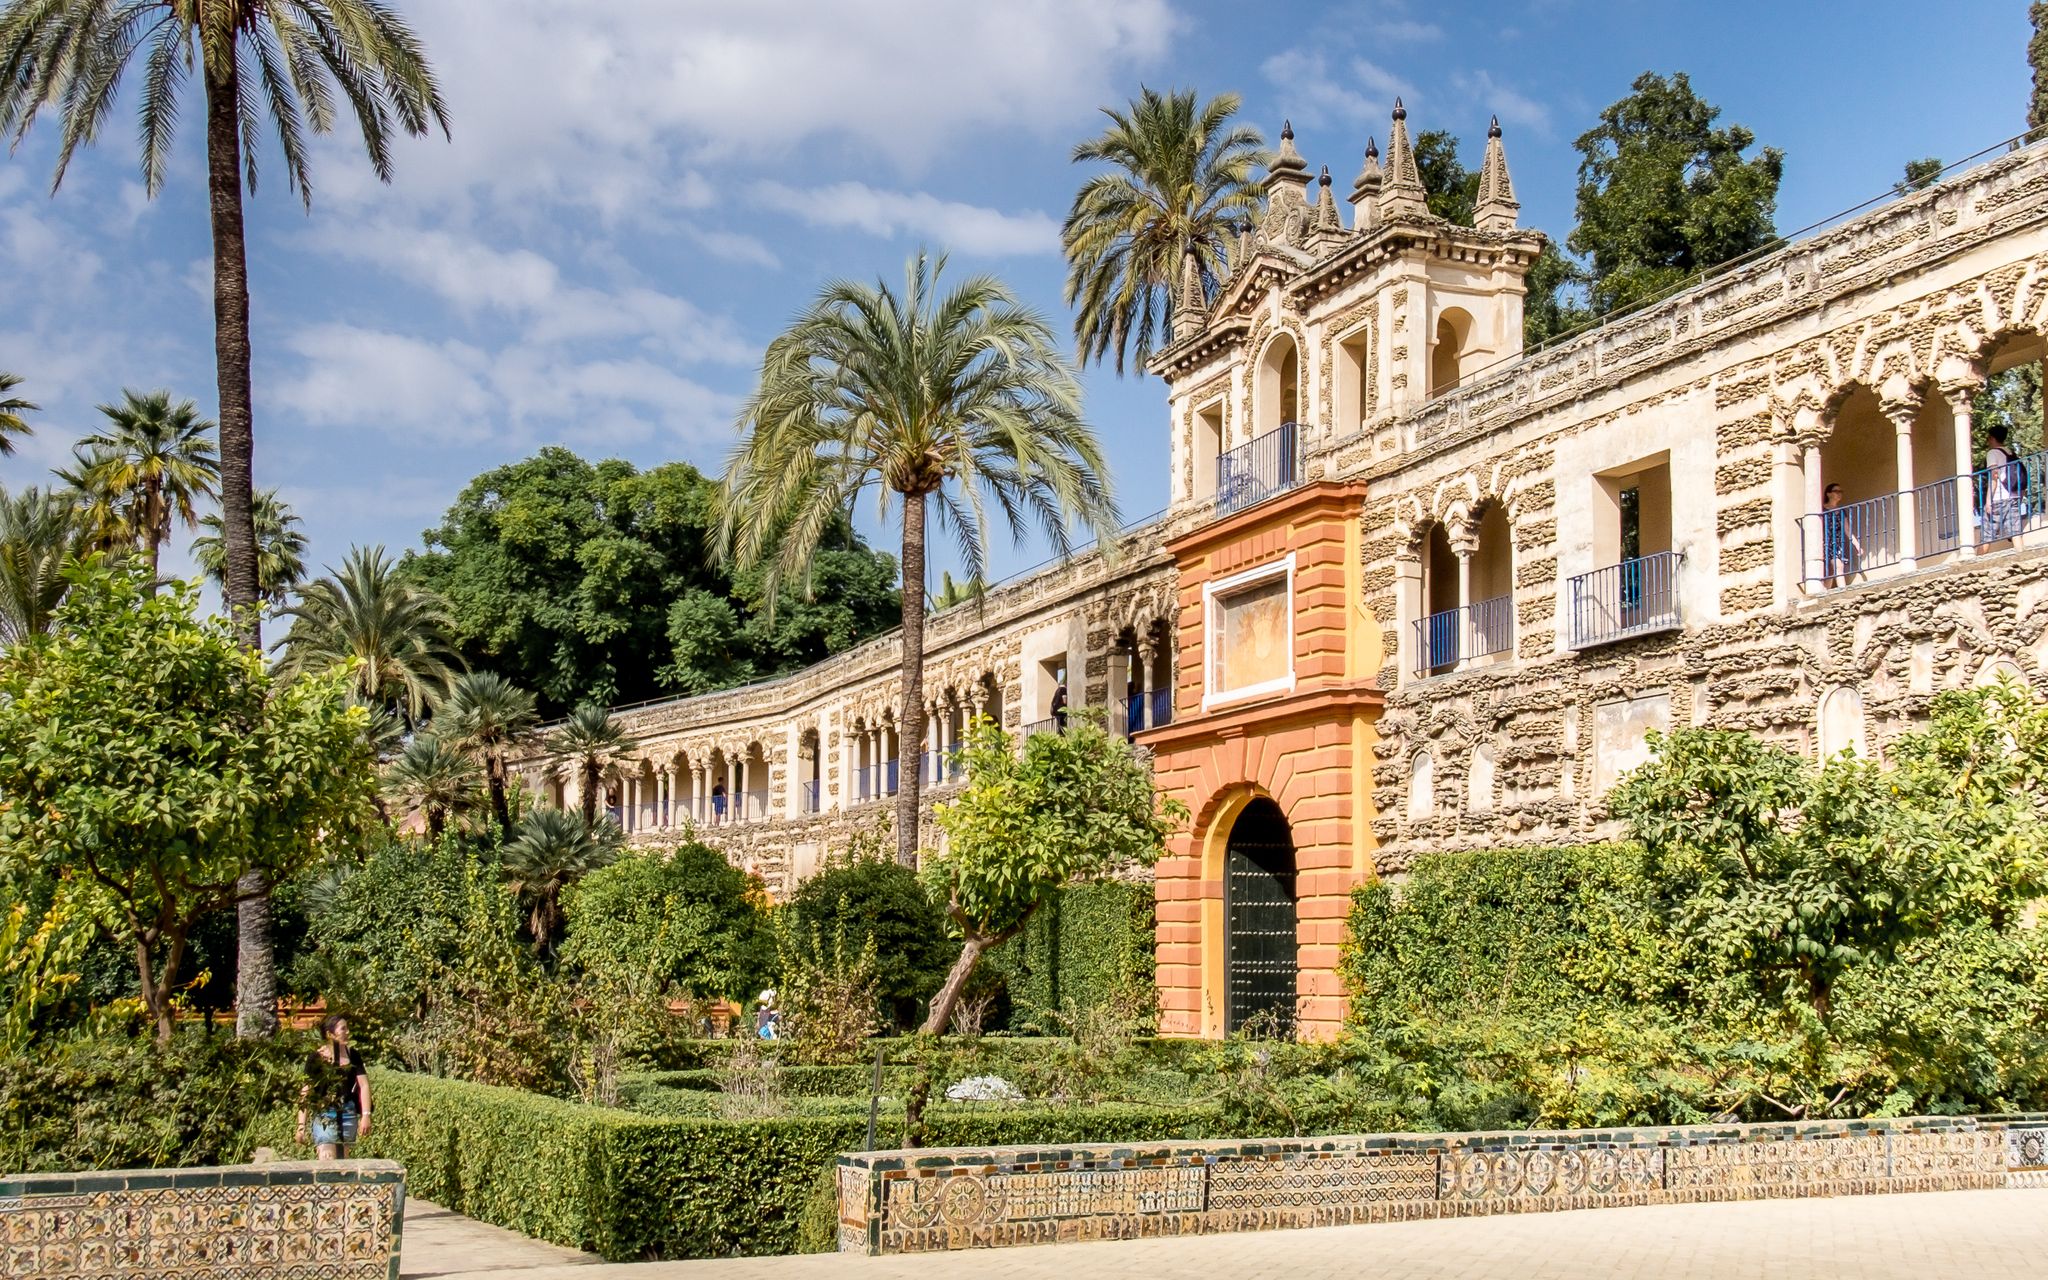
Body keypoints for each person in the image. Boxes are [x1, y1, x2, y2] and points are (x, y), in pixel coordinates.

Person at [297, 1014, 370, 1161]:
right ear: (330, 1034)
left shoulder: (353, 1055)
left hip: (348, 1113)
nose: (347, 1032)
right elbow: (306, 1089)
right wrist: (301, 1125)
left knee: (343, 1162)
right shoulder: (316, 1058)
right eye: (343, 1029)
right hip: (324, 1113)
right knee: (327, 1158)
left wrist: (366, 1115)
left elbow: (364, 1085)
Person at [1982, 424, 2021, 543]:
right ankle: (2022, 556)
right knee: (2016, 534)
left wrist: (1988, 501)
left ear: (1993, 438)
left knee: (1986, 538)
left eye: (1988, 438)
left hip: (1998, 498)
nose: (1988, 441)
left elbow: (1994, 476)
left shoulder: (1992, 453)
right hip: (2013, 496)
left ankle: (1979, 561)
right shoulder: (2010, 452)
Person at [1820, 483, 1861, 587]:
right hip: (1825, 542)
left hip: (1837, 543)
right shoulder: (1821, 510)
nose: (1839, 494)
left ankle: (1829, 591)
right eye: (1836, 491)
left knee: (1836, 568)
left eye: (1840, 492)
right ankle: (1841, 590)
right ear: (1828, 494)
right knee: (1835, 568)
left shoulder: (1842, 511)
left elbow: (1847, 530)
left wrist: (1857, 545)